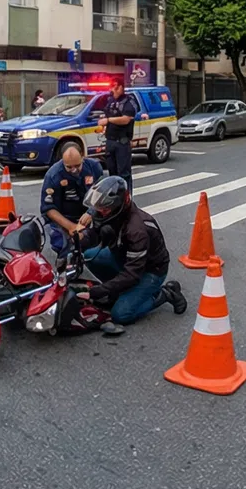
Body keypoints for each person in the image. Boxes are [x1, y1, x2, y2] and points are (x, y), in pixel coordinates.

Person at [80, 175, 185, 324]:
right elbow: (94, 233)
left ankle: (165, 293)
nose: (99, 212)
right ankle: (120, 292)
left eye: (103, 210)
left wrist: (99, 291)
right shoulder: (113, 215)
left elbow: (132, 274)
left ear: (117, 206)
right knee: (90, 255)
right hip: (123, 257)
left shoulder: (137, 230)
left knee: (120, 314)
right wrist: (78, 241)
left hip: (150, 271)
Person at [39, 137, 103, 254]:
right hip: (64, 218)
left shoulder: (94, 168)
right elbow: (48, 208)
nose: (74, 170)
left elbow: (103, 194)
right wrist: (71, 227)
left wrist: (92, 211)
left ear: (83, 157)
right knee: (66, 247)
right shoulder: (53, 176)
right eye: (69, 167)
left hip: (89, 214)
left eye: (77, 166)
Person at [100, 85, 142, 182]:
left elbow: (126, 119)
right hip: (110, 141)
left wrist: (108, 120)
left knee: (124, 174)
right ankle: (115, 196)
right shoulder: (110, 101)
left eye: (115, 87)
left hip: (122, 142)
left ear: (121, 88)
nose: (112, 90)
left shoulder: (129, 102)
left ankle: (127, 196)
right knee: (112, 173)